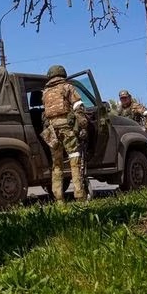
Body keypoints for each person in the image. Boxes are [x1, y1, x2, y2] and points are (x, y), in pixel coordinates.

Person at [40, 64, 88, 202]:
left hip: (52, 131)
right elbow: (78, 108)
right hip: (67, 129)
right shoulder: (68, 87)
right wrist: (83, 127)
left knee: (56, 164)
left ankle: (59, 199)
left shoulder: (46, 92)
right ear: (62, 75)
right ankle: (80, 196)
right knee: (75, 161)